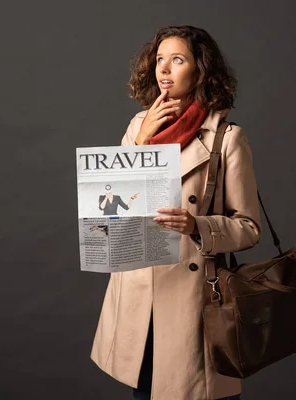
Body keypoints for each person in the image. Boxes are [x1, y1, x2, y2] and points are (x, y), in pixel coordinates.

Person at [91, 25, 261, 400]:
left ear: (200, 70)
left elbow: (248, 228)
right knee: (145, 392)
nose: (164, 68)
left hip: (193, 302)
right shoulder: (138, 126)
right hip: (140, 294)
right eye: (160, 59)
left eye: (178, 59)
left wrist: (197, 224)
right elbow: (111, 216)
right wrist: (140, 142)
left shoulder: (226, 138)